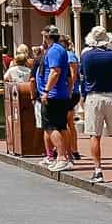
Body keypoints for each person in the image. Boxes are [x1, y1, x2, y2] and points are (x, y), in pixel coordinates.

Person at [79, 27, 112, 184]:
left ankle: (98, 170)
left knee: (95, 135)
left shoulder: (86, 56)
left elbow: (83, 73)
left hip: (94, 96)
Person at [37, 28, 76, 172]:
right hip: (61, 94)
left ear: (47, 37)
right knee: (61, 126)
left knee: (51, 127)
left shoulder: (54, 50)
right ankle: (65, 156)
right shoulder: (60, 49)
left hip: (53, 95)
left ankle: (61, 157)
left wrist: (46, 91)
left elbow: (55, 71)